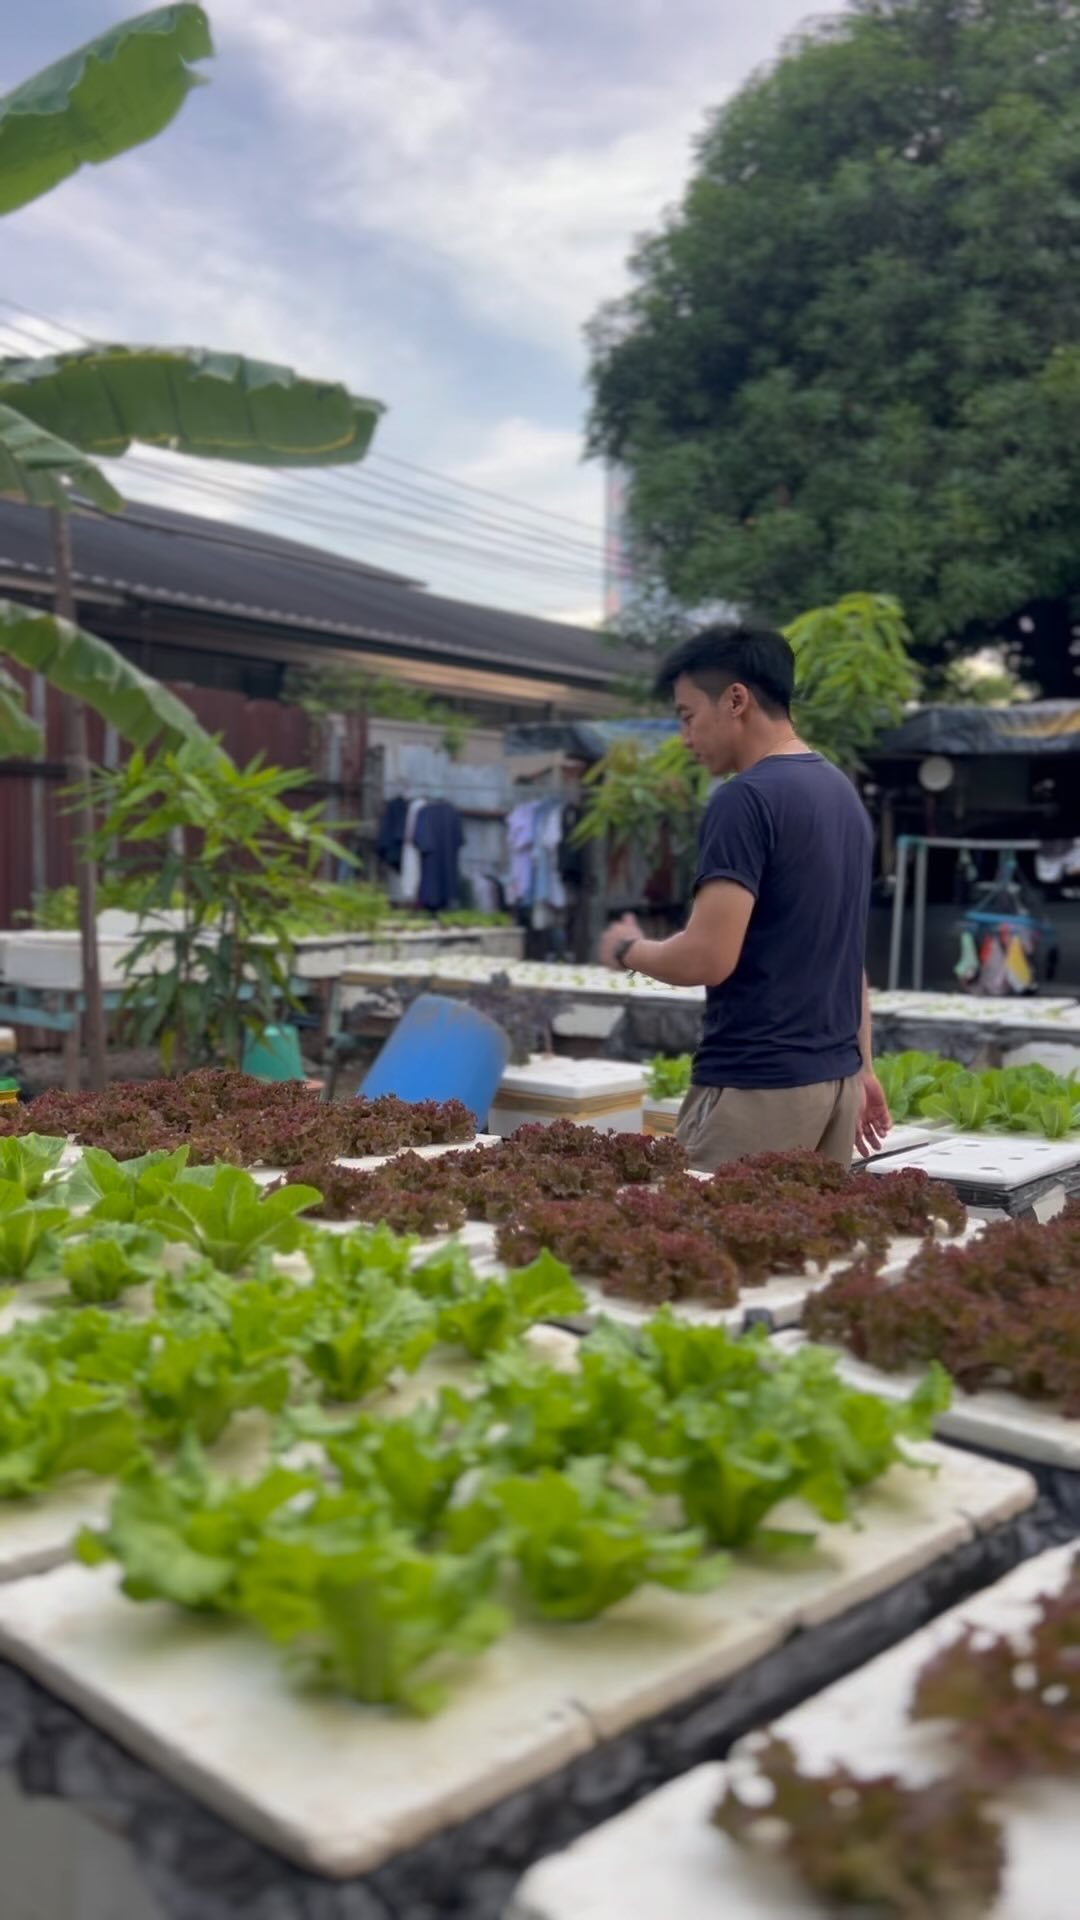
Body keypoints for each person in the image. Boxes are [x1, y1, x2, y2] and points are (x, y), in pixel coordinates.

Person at [598, 621, 890, 1169]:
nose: (684, 737)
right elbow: (846, 956)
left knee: (710, 1224)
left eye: (688, 716)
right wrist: (863, 1067)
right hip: (835, 1087)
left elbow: (707, 958)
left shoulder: (745, 800)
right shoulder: (840, 794)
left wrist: (626, 949)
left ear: (736, 700)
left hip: (758, 1089)